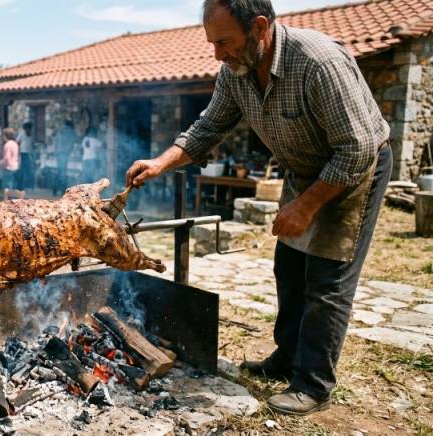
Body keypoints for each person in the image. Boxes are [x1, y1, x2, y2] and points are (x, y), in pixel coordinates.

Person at [125, 0, 392, 416]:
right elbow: (208, 127)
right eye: (212, 43)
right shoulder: (236, 72)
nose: (218, 54)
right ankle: (287, 357)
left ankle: (313, 385)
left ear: (260, 27)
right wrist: (161, 163)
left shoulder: (318, 63)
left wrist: (306, 206)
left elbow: (356, 149)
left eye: (225, 42)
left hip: (354, 168)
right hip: (304, 170)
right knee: (289, 267)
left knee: (326, 278)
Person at [53, 120, 78, 195]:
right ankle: (62, 190)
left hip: (58, 153)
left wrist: (56, 151)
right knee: (63, 171)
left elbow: (56, 142)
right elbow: (75, 141)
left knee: (59, 171)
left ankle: (55, 189)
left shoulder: (60, 131)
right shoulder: (72, 132)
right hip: (65, 153)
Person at [0, 128, 20, 193]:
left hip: (8, 168)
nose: (2, 137)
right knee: (13, 187)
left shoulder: (7, 145)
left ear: (6, 136)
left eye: (3, 135)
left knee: (7, 188)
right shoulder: (15, 144)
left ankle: (7, 199)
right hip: (16, 167)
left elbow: (7, 158)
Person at [16, 122, 34, 190]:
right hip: (22, 154)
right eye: (27, 129)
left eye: (30, 129)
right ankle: (19, 186)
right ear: (25, 129)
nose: (29, 131)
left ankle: (29, 186)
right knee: (21, 171)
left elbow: (31, 145)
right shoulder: (22, 134)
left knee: (29, 171)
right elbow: (17, 142)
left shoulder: (31, 135)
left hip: (28, 155)